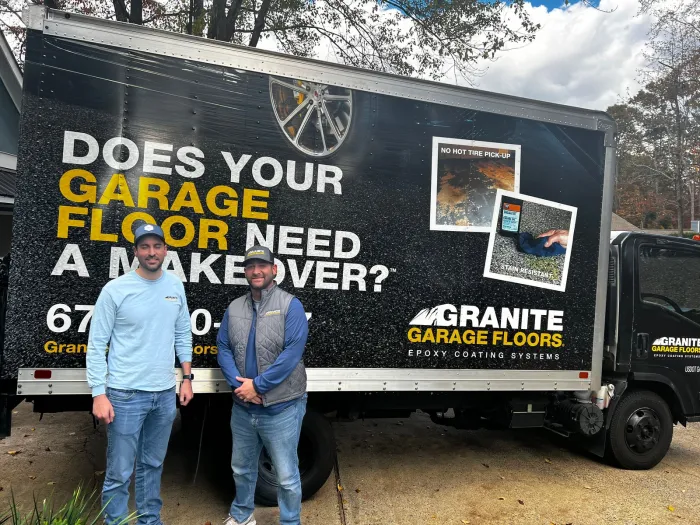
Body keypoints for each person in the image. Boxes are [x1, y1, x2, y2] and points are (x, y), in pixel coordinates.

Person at [86, 223, 194, 525]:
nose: (151, 252)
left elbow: (182, 332)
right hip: (124, 395)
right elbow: (96, 345)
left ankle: (149, 520)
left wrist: (186, 378)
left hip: (163, 395)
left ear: (165, 250)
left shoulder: (175, 286)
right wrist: (99, 393)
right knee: (120, 472)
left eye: (156, 246)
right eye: (144, 247)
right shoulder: (116, 290)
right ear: (135, 251)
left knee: (153, 464)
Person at [217, 245, 309, 525]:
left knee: (287, 476)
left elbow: (292, 353)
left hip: (281, 408)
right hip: (243, 407)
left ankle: (290, 522)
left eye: (262, 266)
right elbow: (223, 348)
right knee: (241, 469)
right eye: (250, 266)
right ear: (245, 271)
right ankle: (242, 516)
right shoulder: (234, 308)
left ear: (274, 270)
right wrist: (240, 386)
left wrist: (258, 386)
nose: (256, 271)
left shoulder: (290, 305)